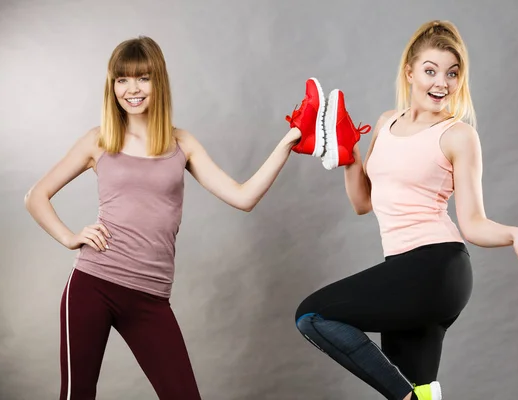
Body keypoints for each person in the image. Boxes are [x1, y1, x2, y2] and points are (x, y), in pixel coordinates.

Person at [24, 36, 309, 399]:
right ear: (112, 86)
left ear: (158, 81)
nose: (132, 89)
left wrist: (289, 140)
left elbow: (243, 196)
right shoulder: (99, 141)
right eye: (122, 79)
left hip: (150, 297)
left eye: (142, 78)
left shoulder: (181, 144)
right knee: (77, 394)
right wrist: (69, 237)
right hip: (93, 284)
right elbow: (36, 196)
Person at [293, 20, 518, 400]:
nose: (441, 83)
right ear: (410, 72)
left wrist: (515, 233)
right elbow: (363, 203)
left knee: (313, 315)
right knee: (419, 386)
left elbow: (473, 223)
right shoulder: (388, 122)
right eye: (431, 71)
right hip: (402, 269)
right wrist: (348, 157)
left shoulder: (458, 135)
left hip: (436, 268)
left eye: (452, 73)